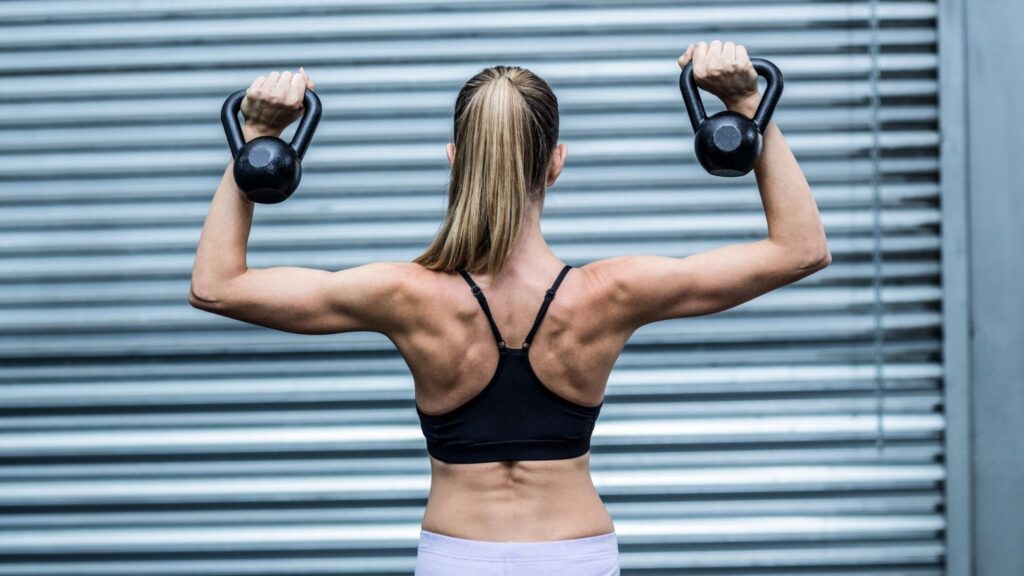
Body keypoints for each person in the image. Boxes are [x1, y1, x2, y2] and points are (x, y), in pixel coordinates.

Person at [189, 40, 830, 575]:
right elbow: (800, 249)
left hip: (456, 557)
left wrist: (257, 138)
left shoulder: (404, 295)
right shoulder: (612, 294)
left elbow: (216, 285)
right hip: (575, 556)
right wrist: (749, 106)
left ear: (454, 162)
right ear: (555, 165)